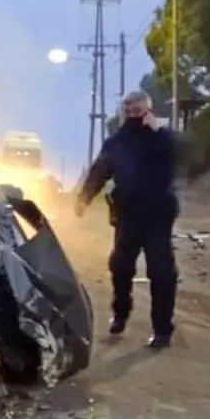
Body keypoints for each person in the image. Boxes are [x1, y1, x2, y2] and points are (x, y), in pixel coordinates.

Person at [74, 89, 179, 349]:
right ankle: (120, 314)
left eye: (138, 111)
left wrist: (158, 131)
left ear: (148, 111)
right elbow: (100, 171)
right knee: (120, 267)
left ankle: (162, 330)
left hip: (157, 216)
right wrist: (84, 198)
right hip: (128, 215)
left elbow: (179, 153)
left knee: (161, 272)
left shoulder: (162, 138)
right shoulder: (116, 143)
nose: (133, 115)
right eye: (128, 111)